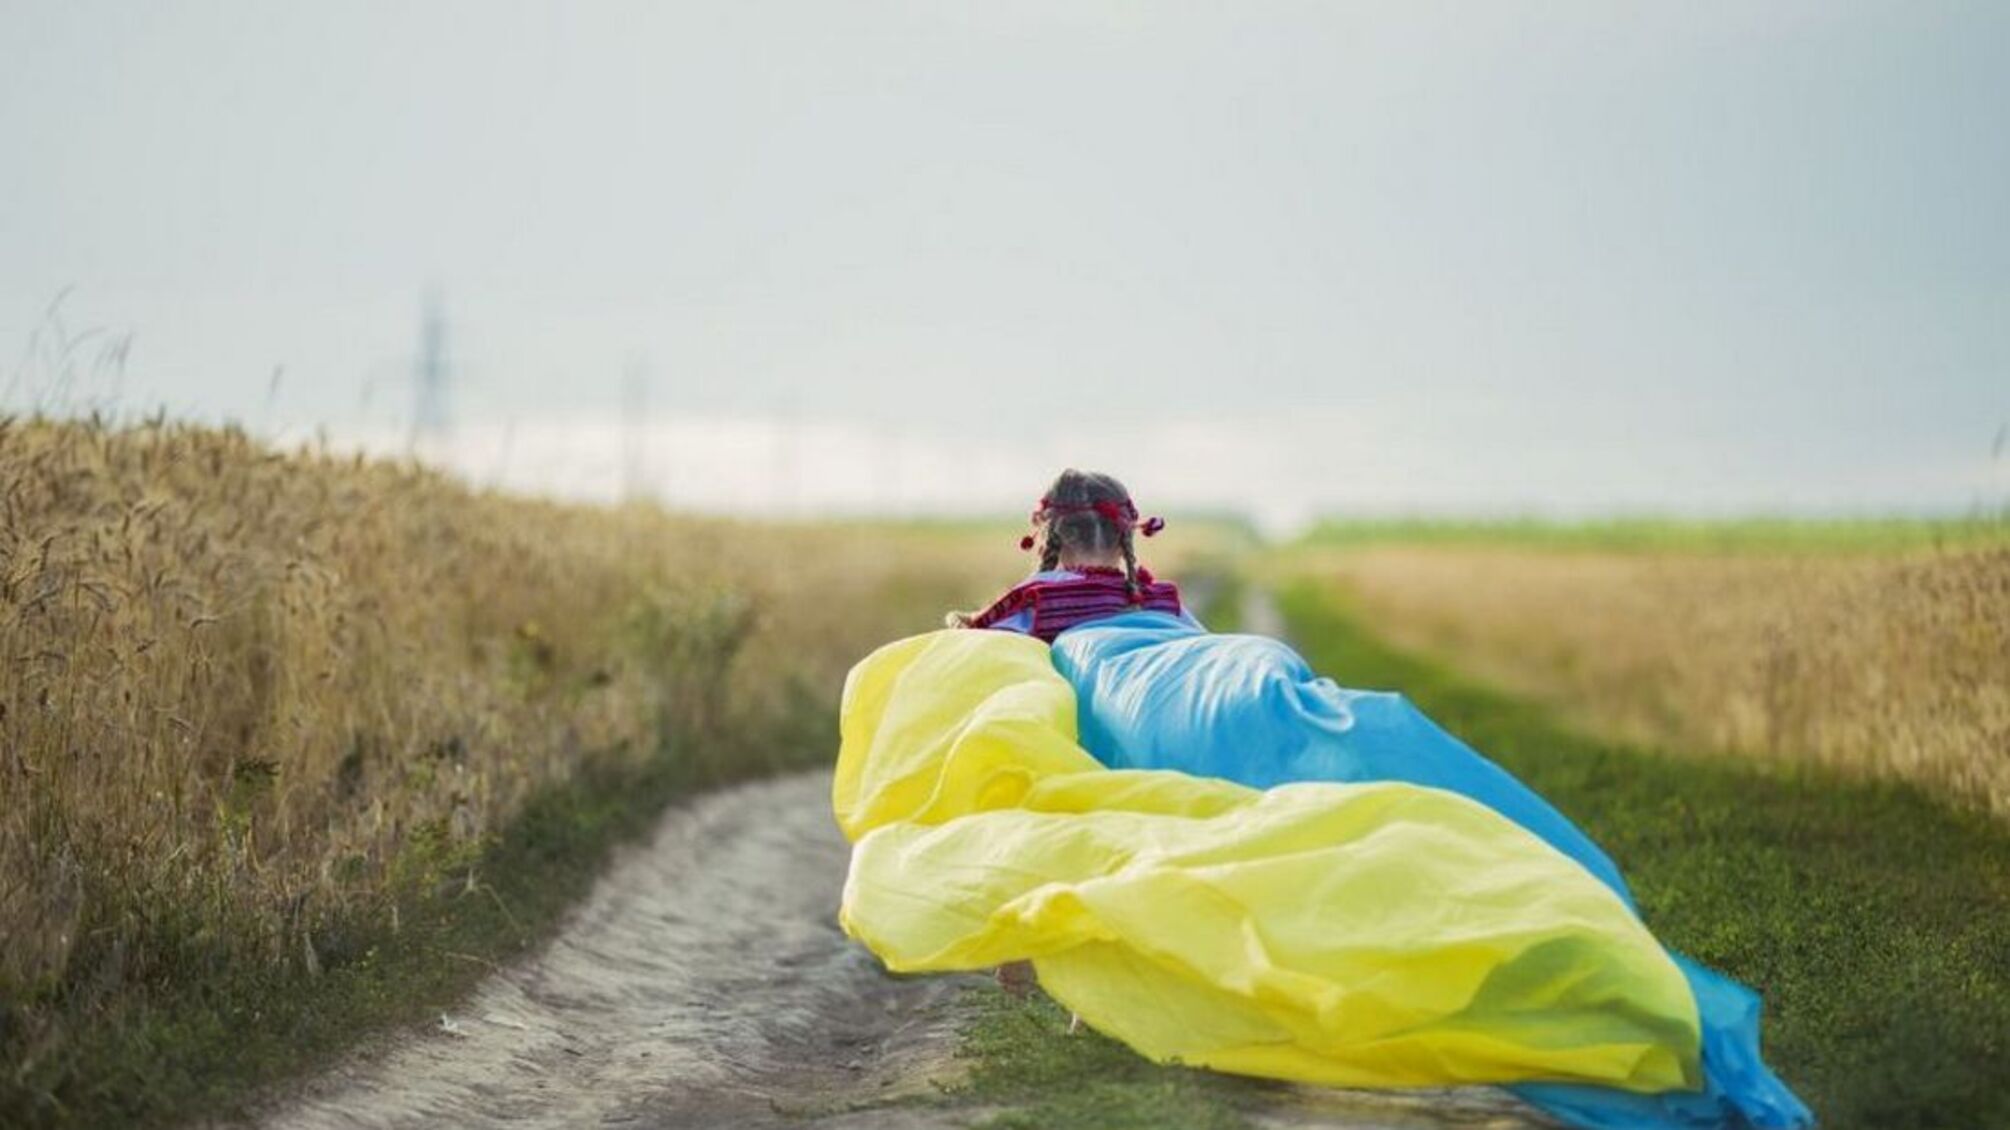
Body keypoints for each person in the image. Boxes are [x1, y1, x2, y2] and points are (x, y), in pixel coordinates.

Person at [938, 468, 1809, 1130]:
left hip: (1171, 701)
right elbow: (1198, 656)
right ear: (1127, 541)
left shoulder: (1031, 613)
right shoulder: (1159, 603)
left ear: (1047, 541)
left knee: (1143, 843)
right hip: (1239, 674)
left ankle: (1135, 1008)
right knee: (1293, 813)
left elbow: (1000, 748)